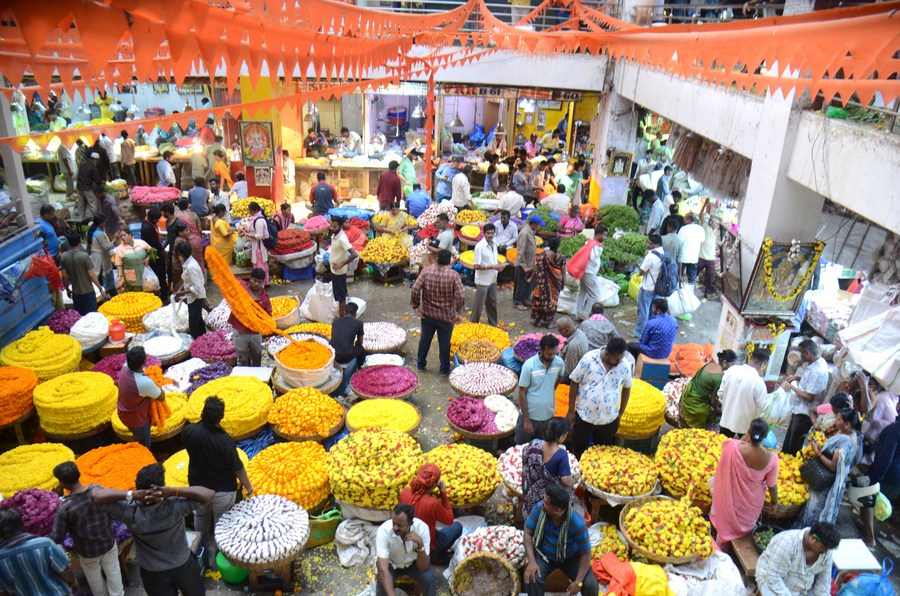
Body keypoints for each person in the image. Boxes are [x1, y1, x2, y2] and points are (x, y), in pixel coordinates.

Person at [92, 464, 213, 596]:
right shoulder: (174, 506)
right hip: (182, 564)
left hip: (152, 571)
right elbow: (208, 494)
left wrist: (132, 495)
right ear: (162, 488)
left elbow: (96, 496)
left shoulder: (130, 512)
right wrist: (173, 491)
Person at [182, 396, 254, 568]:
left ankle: (201, 554)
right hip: (221, 490)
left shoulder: (190, 432)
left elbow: (189, 449)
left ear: (203, 412)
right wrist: (248, 486)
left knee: (201, 519)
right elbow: (238, 468)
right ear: (221, 417)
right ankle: (220, 557)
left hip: (198, 488)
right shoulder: (224, 441)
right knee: (222, 524)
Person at [50, 462, 124, 596]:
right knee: (114, 573)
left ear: (62, 483)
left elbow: (57, 536)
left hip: (87, 551)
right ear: (79, 474)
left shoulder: (65, 507)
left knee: (95, 581)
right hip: (108, 543)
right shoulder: (98, 489)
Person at [710, 419, 779, 549]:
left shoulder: (732, 447)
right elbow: (772, 486)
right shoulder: (772, 459)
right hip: (750, 504)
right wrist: (774, 503)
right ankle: (738, 543)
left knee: (727, 522)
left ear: (749, 432)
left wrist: (745, 437)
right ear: (765, 437)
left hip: (730, 496)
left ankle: (722, 544)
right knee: (744, 527)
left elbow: (732, 445)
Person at [523, 484, 598, 596]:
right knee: (532, 578)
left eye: (546, 502)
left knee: (591, 585)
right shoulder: (539, 509)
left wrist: (578, 582)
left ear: (556, 511)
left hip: (570, 557)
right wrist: (532, 562)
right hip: (545, 555)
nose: (542, 502)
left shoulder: (577, 524)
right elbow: (528, 533)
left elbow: (586, 554)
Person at [566, 338, 633, 457]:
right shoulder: (589, 359)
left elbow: (627, 387)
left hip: (608, 419)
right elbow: (574, 382)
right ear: (607, 353)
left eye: (621, 358)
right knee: (577, 449)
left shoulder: (624, 365)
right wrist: (571, 411)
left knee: (602, 453)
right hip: (585, 416)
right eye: (616, 359)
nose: (618, 362)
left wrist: (620, 413)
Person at [795, 408, 862, 527]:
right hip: (830, 478)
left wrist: (817, 452)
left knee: (814, 510)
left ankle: (806, 533)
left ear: (847, 424)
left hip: (827, 480)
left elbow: (832, 467)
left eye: (838, 419)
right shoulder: (849, 433)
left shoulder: (845, 443)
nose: (835, 421)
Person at [0, 507, 78, 596]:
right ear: (21, 524)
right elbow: (63, 570)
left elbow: (3, 592)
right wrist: (73, 581)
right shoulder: (44, 544)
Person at [412, 249, 465, 376]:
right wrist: (459, 312)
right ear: (449, 261)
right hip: (446, 317)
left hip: (427, 314)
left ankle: (420, 364)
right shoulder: (453, 275)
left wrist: (416, 306)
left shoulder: (426, 271)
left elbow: (415, 289)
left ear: (437, 259)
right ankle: (444, 369)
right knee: (445, 343)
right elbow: (461, 296)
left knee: (425, 339)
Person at [756, 522, 841, 596]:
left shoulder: (826, 552)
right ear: (813, 538)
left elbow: (823, 584)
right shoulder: (787, 543)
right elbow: (773, 578)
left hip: (802, 590)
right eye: (823, 548)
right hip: (771, 581)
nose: (825, 553)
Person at [398, 464, 462, 562]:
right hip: (426, 546)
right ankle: (435, 555)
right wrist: (443, 493)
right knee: (458, 527)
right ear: (434, 485)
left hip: (404, 543)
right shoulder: (432, 503)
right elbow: (449, 520)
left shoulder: (405, 492)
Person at [782, 339, 831, 455]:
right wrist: (796, 378)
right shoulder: (816, 363)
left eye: (802, 353)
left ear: (808, 353)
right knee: (789, 439)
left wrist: (791, 387)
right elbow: (809, 382)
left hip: (804, 413)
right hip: (799, 409)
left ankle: (790, 466)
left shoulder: (818, 371)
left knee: (793, 444)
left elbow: (809, 397)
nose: (801, 356)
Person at [375, 503, 435, 596]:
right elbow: (383, 569)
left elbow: (423, 567)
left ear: (410, 523)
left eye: (399, 525)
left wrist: (420, 545)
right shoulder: (384, 531)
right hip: (391, 565)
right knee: (382, 583)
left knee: (429, 578)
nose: (395, 527)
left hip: (413, 564)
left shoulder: (422, 529)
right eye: (393, 523)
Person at [522, 417, 576, 517]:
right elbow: (566, 481)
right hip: (549, 499)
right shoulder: (561, 455)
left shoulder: (534, 443)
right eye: (565, 435)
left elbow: (525, 458)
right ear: (560, 437)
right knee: (569, 491)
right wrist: (574, 479)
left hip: (532, 494)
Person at [517, 335, 565, 443]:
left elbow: (560, 376)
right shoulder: (529, 366)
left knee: (543, 447)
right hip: (530, 415)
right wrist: (526, 419)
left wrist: (550, 390)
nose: (552, 356)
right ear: (541, 350)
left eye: (554, 353)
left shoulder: (559, 363)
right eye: (548, 353)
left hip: (548, 415)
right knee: (522, 446)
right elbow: (521, 392)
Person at [117, 347, 165, 448]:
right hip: (136, 419)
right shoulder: (143, 383)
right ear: (143, 363)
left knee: (138, 437)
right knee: (143, 444)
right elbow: (161, 396)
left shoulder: (125, 367)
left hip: (123, 411)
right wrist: (157, 383)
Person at [717, 348, 771, 437]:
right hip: (745, 426)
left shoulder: (732, 370)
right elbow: (763, 407)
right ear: (762, 364)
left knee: (723, 447)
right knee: (744, 449)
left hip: (726, 420)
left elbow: (720, 393)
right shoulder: (758, 382)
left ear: (750, 357)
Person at [679, 350, 738, 429]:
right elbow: (713, 400)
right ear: (724, 363)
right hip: (696, 407)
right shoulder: (719, 377)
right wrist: (717, 410)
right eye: (732, 364)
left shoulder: (709, 365)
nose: (733, 367)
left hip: (687, 397)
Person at [229, 268, 271, 366]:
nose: (256, 284)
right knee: (242, 356)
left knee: (257, 355)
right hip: (240, 330)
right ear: (250, 279)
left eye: (259, 282)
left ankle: (256, 375)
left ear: (263, 283)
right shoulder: (241, 289)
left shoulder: (265, 298)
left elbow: (268, 315)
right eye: (254, 280)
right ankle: (244, 376)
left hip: (255, 332)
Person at [529, 236, 567, 328]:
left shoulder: (541, 256)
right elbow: (563, 273)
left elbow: (536, 269)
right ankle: (549, 322)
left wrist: (530, 278)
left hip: (542, 284)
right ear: (558, 246)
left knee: (539, 300)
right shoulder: (561, 258)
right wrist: (563, 284)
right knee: (552, 301)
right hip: (554, 285)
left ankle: (537, 321)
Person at [471, 223, 504, 326]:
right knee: (478, 305)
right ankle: (473, 324)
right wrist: (494, 266)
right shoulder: (479, 247)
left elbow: (493, 259)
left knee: (492, 303)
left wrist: (499, 265)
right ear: (484, 233)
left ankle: (493, 324)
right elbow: (476, 266)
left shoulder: (494, 244)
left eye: (492, 233)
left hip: (493, 278)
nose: (490, 235)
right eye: (488, 233)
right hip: (483, 280)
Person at [633, 234, 664, 337]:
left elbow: (642, 271)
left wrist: (646, 257)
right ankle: (650, 330)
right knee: (652, 311)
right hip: (658, 287)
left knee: (643, 310)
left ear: (656, 244)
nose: (648, 245)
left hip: (647, 287)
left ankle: (639, 332)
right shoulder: (664, 253)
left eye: (650, 243)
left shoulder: (651, 256)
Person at [172, 243, 206, 339]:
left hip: (196, 297)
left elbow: (197, 287)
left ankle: (196, 342)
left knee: (193, 323)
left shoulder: (191, 267)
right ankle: (203, 338)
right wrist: (181, 288)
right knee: (198, 319)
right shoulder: (188, 262)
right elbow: (188, 280)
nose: (178, 257)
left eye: (178, 254)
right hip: (193, 296)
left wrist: (181, 293)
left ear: (182, 255)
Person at [575, 226, 608, 321]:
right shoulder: (593, 245)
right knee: (595, 294)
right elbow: (592, 257)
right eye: (604, 235)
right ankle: (585, 314)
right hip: (589, 272)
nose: (605, 238)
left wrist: (599, 265)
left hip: (586, 270)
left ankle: (579, 313)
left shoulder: (589, 242)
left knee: (583, 292)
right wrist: (598, 250)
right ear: (599, 234)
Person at [329, 216, 358, 318]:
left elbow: (354, 254)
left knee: (341, 297)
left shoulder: (342, 238)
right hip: (334, 271)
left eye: (334, 226)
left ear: (340, 226)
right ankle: (346, 311)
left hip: (340, 272)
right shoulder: (334, 235)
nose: (332, 228)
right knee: (341, 293)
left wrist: (342, 263)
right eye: (331, 225)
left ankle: (342, 318)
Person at [867, 412, 900, 500]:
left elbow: (885, 458)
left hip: (886, 477)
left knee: (873, 507)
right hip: (896, 481)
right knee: (884, 510)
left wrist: (875, 479)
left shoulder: (893, 430)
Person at [514, 215, 541, 311]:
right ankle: (517, 302)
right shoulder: (524, 233)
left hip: (529, 263)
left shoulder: (531, 231)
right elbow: (520, 251)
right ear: (533, 224)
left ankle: (524, 299)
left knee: (527, 283)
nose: (540, 227)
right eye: (539, 225)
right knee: (520, 284)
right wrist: (524, 266)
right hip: (522, 264)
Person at [141, 207, 168, 302]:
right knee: (160, 275)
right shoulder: (147, 228)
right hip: (155, 256)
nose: (157, 221)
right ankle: (164, 296)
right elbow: (154, 245)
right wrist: (162, 252)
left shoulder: (149, 224)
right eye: (156, 219)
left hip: (156, 253)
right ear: (152, 218)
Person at [87, 214, 116, 297]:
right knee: (105, 280)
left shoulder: (92, 232)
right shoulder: (99, 234)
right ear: (101, 224)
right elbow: (106, 247)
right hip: (101, 260)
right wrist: (114, 240)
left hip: (95, 258)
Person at [240, 201, 269, 284]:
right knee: (257, 264)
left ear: (256, 211)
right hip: (256, 246)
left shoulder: (259, 221)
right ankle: (260, 282)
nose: (250, 213)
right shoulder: (254, 219)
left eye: (251, 211)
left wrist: (247, 234)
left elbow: (259, 236)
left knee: (260, 266)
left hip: (259, 247)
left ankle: (262, 283)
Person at [331, 301, 365, 367]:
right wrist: (356, 344)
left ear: (344, 312)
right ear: (355, 314)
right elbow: (360, 343)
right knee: (361, 350)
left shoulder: (336, 321)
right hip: (344, 357)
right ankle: (360, 368)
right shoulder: (358, 323)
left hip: (333, 354)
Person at [557, 317, 589, 383]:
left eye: (560, 331)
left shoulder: (573, 345)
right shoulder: (580, 333)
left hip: (571, 377)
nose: (559, 333)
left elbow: (568, 370)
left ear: (567, 330)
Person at [677, 213, 706, 285]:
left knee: (678, 277)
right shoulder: (701, 229)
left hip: (682, 257)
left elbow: (679, 243)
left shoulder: (683, 229)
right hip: (694, 257)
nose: (684, 220)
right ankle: (691, 292)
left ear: (689, 220)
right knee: (692, 278)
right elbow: (702, 241)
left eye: (685, 219)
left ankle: (678, 291)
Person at [697, 205, 718, 299]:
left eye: (717, 223)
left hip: (711, 258)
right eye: (714, 222)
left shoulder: (717, 231)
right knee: (694, 273)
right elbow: (701, 215)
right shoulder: (705, 226)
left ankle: (707, 292)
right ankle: (687, 287)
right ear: (711, 222)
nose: (716, 224)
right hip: (701, 256)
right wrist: (705, 204)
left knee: (709, 277)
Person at [76, 151, 104, 219]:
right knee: (93, 203)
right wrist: (101, 182)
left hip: (79, 186)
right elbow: (97, 180)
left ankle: (80, 218)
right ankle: (95, 219)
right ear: (96, 160)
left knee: (80, 203)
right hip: (87, 188)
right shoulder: (93, 167)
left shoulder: (82, 164)